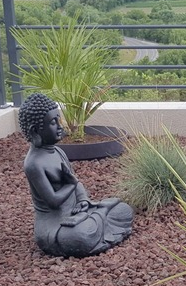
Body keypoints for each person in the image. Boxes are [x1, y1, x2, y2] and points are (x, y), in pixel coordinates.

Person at [18, 93, 133, 257]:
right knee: (80, 236)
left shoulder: (58, 151)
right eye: (53, 122)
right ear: (35, 131)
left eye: (58, 120)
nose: (60, 126)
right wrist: (72, 184)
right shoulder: (34, 164)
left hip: (78, 212)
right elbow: (53, 201)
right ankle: (100, 218)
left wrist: (83, 201)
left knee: (123, 210)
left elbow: (75, 183)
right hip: (55, 225)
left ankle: (98, 218)